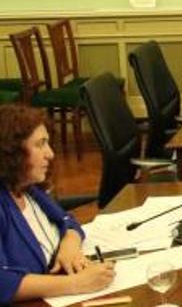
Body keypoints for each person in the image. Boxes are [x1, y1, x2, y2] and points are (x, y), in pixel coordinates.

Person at [0, 105, 116, 303]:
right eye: (40, 144)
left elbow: (67, 220)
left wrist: (69, 244)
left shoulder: (28, 189)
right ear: (12, 152)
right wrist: (78, 284)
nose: (50, 154)